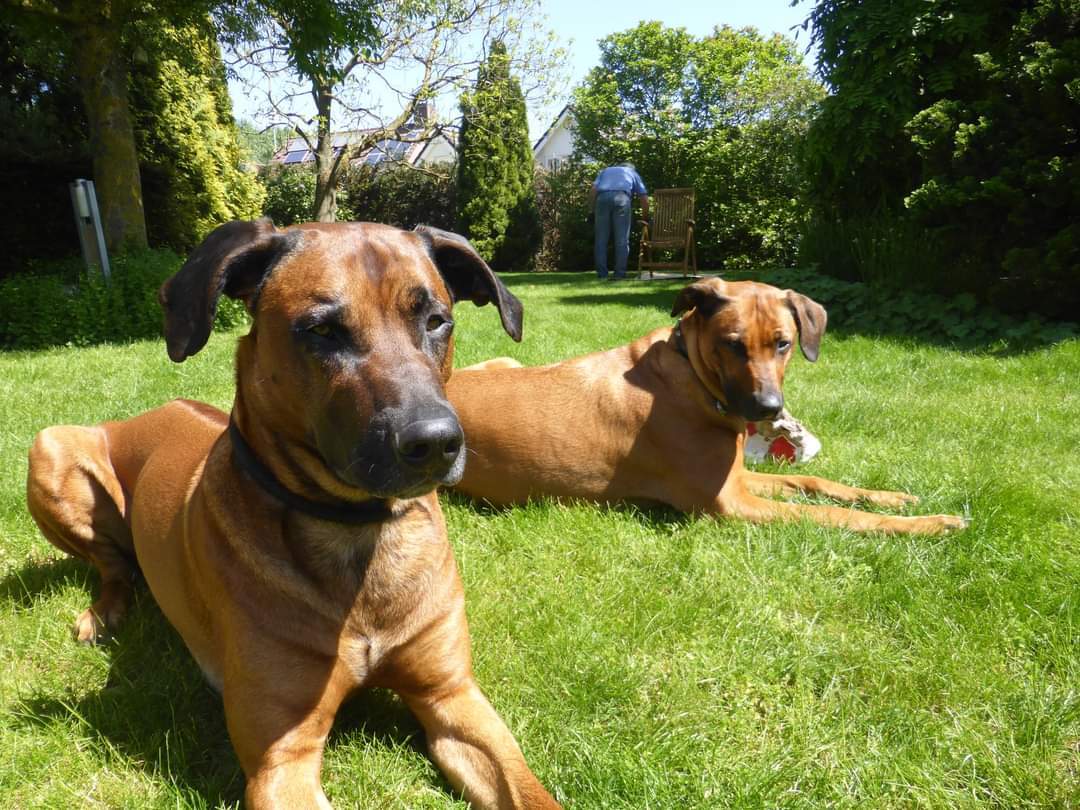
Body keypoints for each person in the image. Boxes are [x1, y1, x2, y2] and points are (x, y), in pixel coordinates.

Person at [589, 162, 649, 280]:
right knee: (622, 240)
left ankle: (602, 275)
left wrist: (591, 210)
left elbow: (593, 190)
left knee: (601, 240)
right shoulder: (632, 172)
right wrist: (645, 218)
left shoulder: (605, 171)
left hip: (602, 199)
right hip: (622, 198)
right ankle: (619, 274)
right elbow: (644, 197)